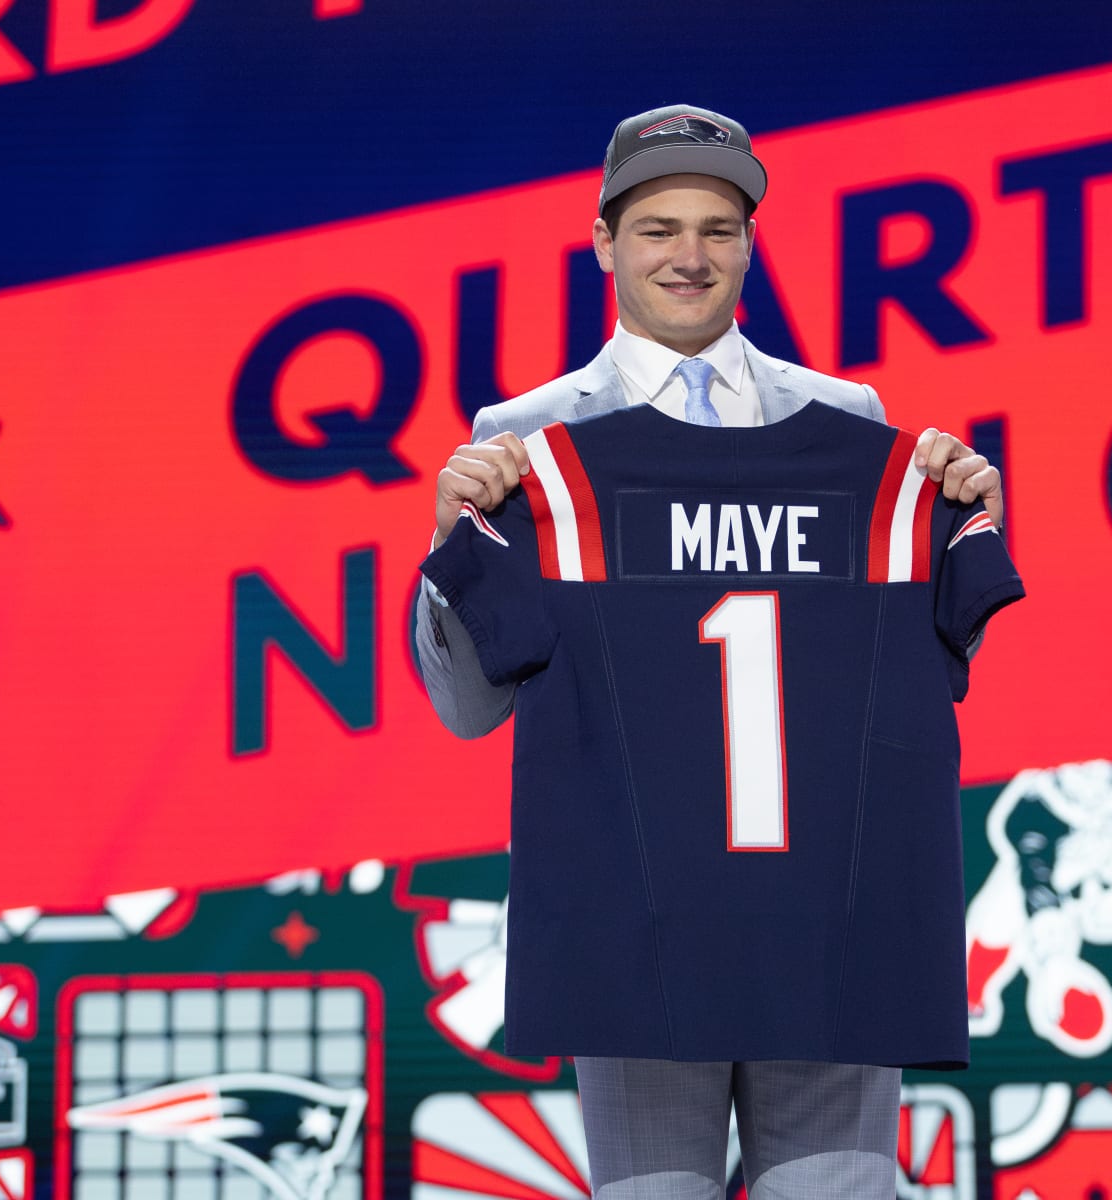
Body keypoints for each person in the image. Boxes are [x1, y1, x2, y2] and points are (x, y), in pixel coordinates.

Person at [413, 104, 1006, 1198]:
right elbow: (468, 708)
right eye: (658, 229)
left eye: (719, 230)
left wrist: (960, 519)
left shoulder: (855, 422)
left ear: (749, 243)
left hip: (829, 911)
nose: (690, 257)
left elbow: (927, 673)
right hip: (633, 922)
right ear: (602, 241)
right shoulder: (526, 442)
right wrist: (453, 554)